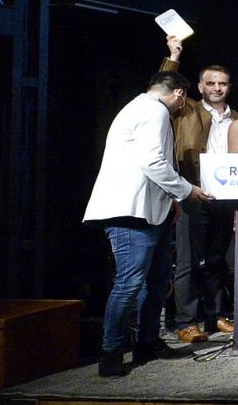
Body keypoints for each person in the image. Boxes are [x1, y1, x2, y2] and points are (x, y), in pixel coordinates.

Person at [83, 71, 215, 377]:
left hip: (149, 210)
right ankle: (111, 352)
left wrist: (170, 200)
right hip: (130, 211)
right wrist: (186, 190)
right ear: (180, 94)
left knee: (157, 282)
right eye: (185, 101)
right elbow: (153, 162)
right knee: (129, 283)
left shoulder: (140, 107)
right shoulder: (154, 111)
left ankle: (148, 342)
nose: (183, 107)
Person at [158, 38, 238, 343]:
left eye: (222, 83)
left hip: (225, 196)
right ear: (200, 86)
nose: (217, 88)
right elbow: (163, 88)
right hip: (192, 193)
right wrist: (174, 55)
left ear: (229, 87)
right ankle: (186, 322)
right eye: (211, 83)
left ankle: (215, 315)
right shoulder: (186, 109)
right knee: (188, 261)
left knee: (217, 259)